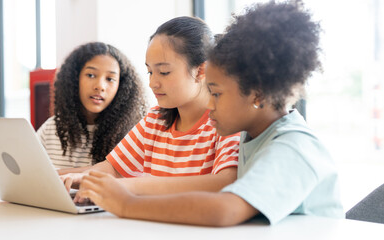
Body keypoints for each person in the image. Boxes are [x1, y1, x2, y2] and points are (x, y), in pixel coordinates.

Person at [78, 1, 344, 226]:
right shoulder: (255, 135)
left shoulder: (293, 146)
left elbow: (225, 209)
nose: (209, 104)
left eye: (215, 93)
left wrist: (127, 203)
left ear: (257, 94)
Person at [63, 16, 240, 199]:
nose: (152, 83)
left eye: (164, 72)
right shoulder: (155, 120)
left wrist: (133, 185)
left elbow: (225, 182)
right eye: (150, 72)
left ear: (200, 71)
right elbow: (112, 169)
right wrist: (76, 177)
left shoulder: (224, 121)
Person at [37, 42, 146, 171]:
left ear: (121, 87)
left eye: (110, 79)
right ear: (75, 79)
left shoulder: (132, 133)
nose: (100, 86)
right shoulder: (50, 128)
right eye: (91, 75)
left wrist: (57, 176)